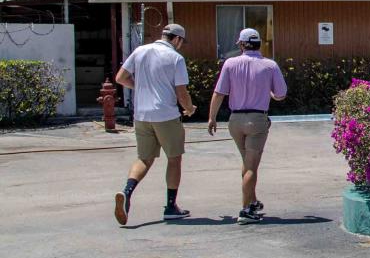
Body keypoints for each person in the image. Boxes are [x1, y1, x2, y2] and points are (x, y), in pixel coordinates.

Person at [113, 23, 197, 226]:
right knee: (174, 158)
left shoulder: (140, 50)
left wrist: (140, 87)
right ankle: (170, 206)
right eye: (181, 42)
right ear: (176, 39)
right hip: (166, 115)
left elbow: (120, 78)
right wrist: (189, 108)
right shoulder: (175, 58)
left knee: (144, 158)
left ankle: (127, 192)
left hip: (141, 114)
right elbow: (181, 91)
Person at [207, 28, 287, 225]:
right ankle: (245, 210)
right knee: (252, 166)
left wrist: (212, 118)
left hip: (235, 120)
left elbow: (219, 93)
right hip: (257, 119)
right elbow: (281, 94)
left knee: (246, 162)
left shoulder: (230, 64)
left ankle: (252, 202)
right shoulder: (270, 65)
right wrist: (269, 93)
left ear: (242, 45)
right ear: (259, 44)